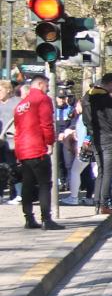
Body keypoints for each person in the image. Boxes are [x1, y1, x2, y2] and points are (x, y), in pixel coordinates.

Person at [14, 73, 61, 230]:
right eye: (47, 86)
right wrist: (50, 143)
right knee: (44, 184)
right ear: (40, 84)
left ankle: (28, 218)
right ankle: (46, 219)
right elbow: (46, 124)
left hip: (23, 149)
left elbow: (18, 129)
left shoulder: (21, 105)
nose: (48, 89)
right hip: (38, 147)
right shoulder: (42, 99)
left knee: (27, 184)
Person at [82, 73, 112, 215]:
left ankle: (97, 202)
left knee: (100, 171)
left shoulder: (87, 98)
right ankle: (104, 203)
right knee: (107, 172)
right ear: (111, 83)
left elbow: (85, 120)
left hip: (96, 137)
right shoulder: (108, 100)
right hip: (108, 138)